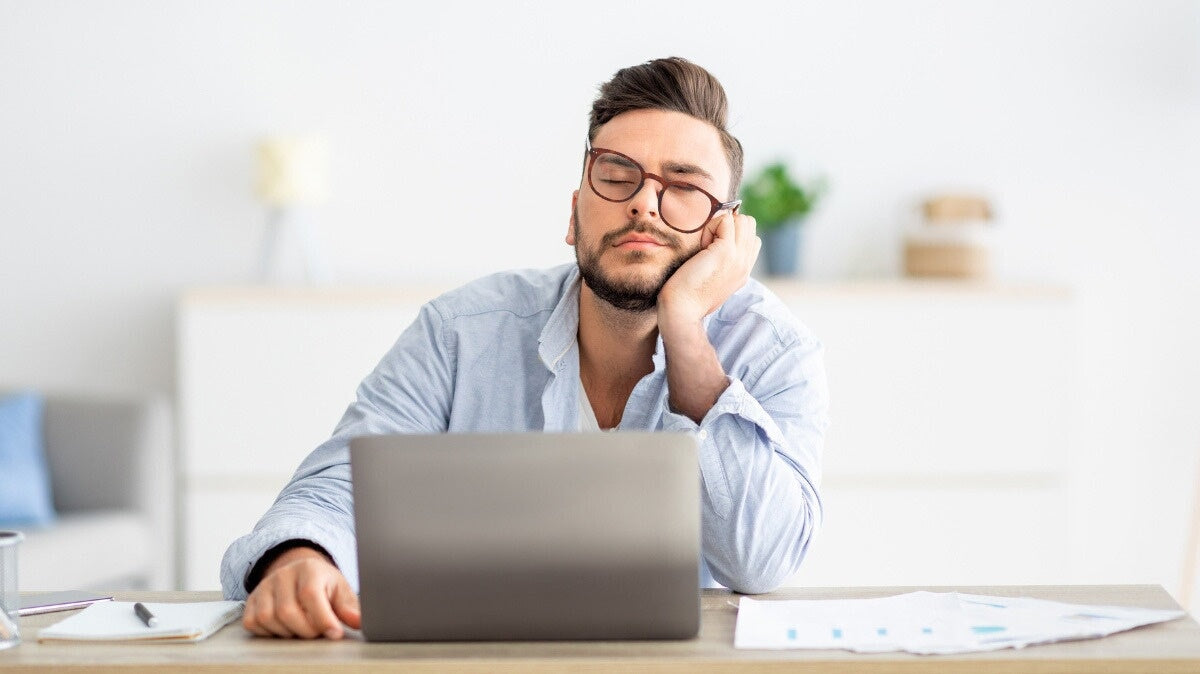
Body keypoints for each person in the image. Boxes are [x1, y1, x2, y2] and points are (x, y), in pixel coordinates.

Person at [221, 56, 829, 640]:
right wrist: (300, 558)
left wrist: (686, 328)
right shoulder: (460, 332)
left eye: (686, 189)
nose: (644, 202)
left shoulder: (775, 350)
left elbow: (764, 558)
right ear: (574, 215)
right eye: (617, 175)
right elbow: (337, 486)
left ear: (726, 234)